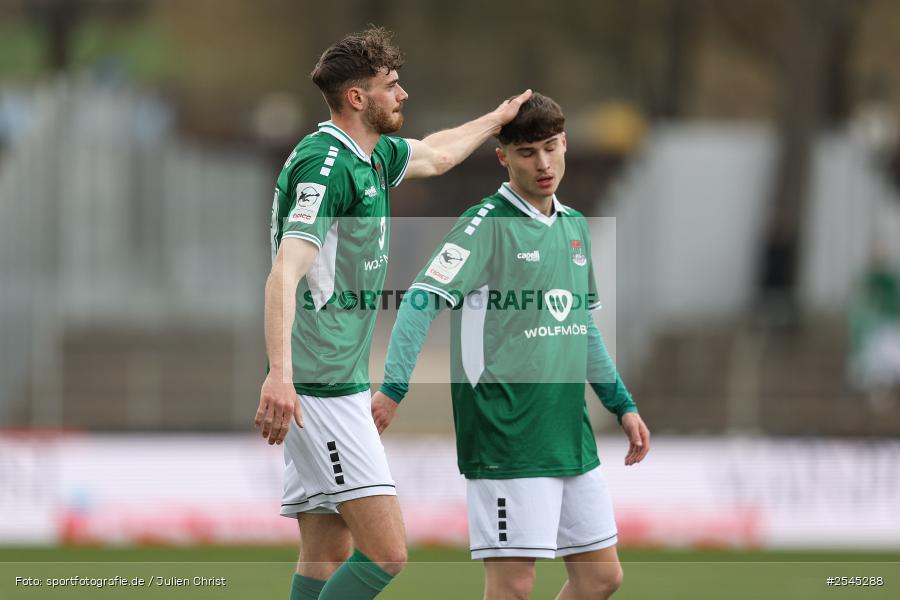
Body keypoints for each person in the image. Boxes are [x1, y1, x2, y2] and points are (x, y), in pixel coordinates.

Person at [254, 26, 531, 600]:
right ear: (357, 98)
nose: (403, 95)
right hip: (319, 386)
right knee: (387, 553)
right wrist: (280, 375)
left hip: (337, 382)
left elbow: (437, 153)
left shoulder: (372, 154)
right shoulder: (326, 167)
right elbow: (284, 273)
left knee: (327, 553)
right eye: (391, 85)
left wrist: (496, 120)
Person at [372, 93, 651, 600]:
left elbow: (580, 327)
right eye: (526, 152)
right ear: (503, 157)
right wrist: (393, 388)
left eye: (550, 147)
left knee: (600, 578)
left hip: (569, 434)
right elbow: (418, 300)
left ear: (564, 143)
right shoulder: (486, 225)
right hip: (506, 435)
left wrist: (621, 404)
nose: (543, 163)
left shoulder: (573, 228)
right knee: (514, 586)